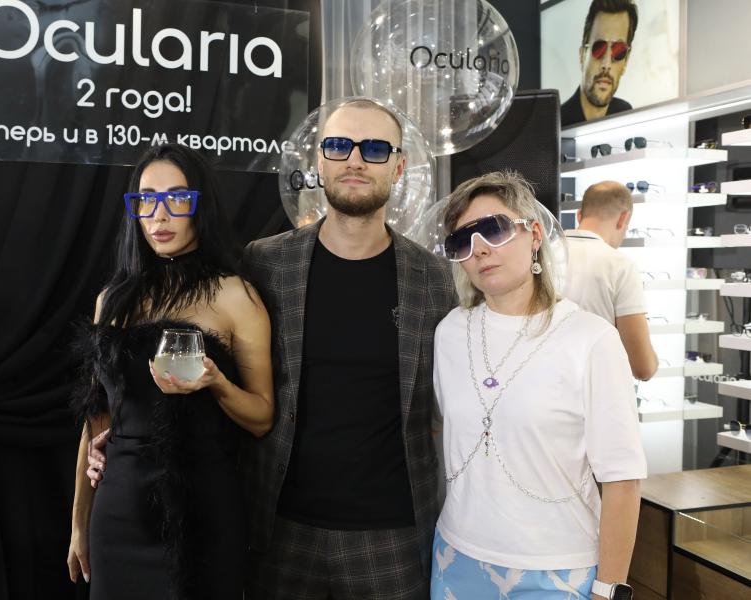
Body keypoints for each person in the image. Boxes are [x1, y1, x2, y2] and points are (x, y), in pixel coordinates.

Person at [90, 99, 456, 597]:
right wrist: (121, 439)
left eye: (374, 149)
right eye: (338, 146)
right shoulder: (266, 263)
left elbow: (449, 403)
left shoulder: (434, 279)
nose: (354, 160)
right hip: (280, 531)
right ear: (319, 160)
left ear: (398, 165)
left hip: (393, 534)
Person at [67, 143, 274, 599]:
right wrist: (79, 523)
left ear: (202, 205)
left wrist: (217, 383)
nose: (159, 215)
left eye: (177, 198)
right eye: (146, 199)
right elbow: (96, 418)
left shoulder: (235, 296)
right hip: (118, 514)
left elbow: (262, 417)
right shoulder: (112, 299)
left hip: (203, 514)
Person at [432, 171, 646, 600]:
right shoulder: (450, 332)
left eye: (493, 229)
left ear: (533, 234)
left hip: (557, 570)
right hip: (456, 558)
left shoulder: (591, 339)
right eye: (462, 240)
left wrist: (608, 589)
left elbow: (622, 478)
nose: (480, 249)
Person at [565, 181, 658, 380]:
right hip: (594, 389)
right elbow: (643, 368)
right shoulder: (619, 266)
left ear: (579, 215)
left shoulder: (541, 254)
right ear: (623, 218)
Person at [561, 0, 638, 127]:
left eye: (619, 51)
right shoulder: (557, 124)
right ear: (582, 56)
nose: (606, 64)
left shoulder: (625, 114)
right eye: (599, 48)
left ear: (626, 61)